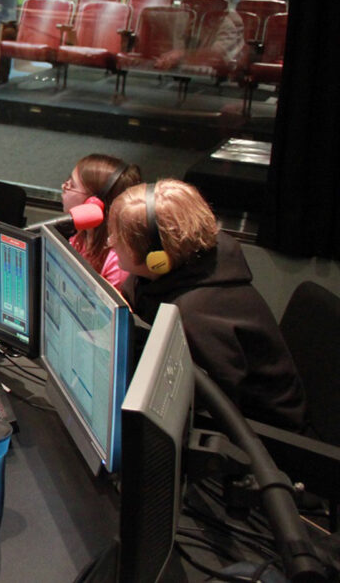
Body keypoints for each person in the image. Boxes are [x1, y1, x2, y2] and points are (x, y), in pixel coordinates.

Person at [108, 179, 307, 430]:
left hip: (264, 442)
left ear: (157, 257)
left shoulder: (196, 317)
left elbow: (204, 415)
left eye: (119, 237)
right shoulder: (166, 272)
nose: (110, 242)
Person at [60, 154, 141, 288]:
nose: (64, 186)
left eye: (72, 185)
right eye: (68, 180)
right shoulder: (81, 238)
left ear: (94, 202)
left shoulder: (117, 262)